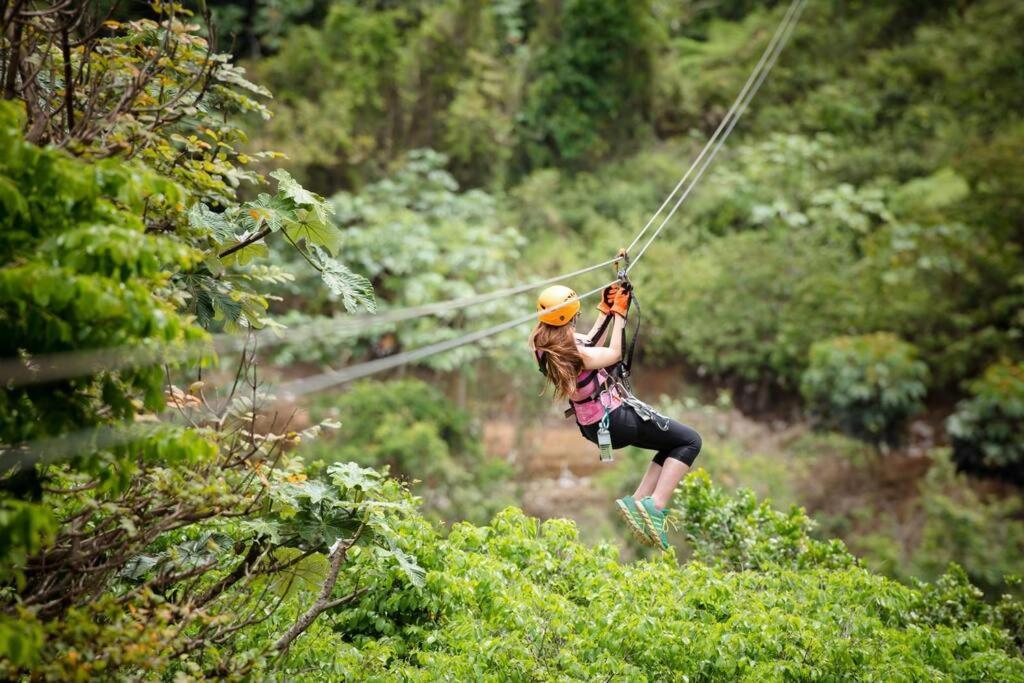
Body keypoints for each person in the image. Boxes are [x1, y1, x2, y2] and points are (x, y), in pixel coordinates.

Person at [529, 283, 702, 550]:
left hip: (593, 424)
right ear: (571, 316)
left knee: (671, 444)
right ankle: (655, 505)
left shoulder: (542, 345)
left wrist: (605, 310)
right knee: (690, 441)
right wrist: (620, 316)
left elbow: (587, 345)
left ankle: (639, 500)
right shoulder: (574, 351)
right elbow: (611, 354)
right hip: (614, 419)